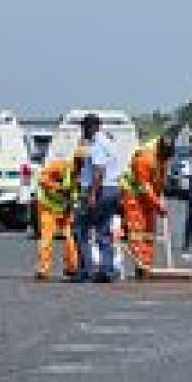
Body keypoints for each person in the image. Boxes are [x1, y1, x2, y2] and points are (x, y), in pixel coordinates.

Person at [74, 113, 122, 283]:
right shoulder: (109, 142)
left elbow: (99, 170)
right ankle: (107, 270)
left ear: (90, 127)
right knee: (103, 230)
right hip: (112, 189)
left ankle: (86, 270)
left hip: (100, 190)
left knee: (80, 229)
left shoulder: (97, 144)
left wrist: (92, 195)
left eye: (83, 128)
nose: (82, 132)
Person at [119, 134, 175, 277]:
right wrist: (158, 204)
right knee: (137, 231)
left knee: (149, 231)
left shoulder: (163, 156)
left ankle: (147, 264)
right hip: (134, 195)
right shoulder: (144, 158)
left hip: (149, 196)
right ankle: (142, 265)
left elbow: (160, 177)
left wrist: (160, 195)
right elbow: (145, 186)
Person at [34, 151, 82, 281]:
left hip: (65, 208)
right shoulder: (60, 166)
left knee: (70, 238)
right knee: (47, 238)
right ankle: (43, 269)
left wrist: (71, 205)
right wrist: (58, 187)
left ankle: (72, 267)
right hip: (48, 207)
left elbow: (76, 195)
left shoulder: (83, 175)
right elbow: (42, 179)